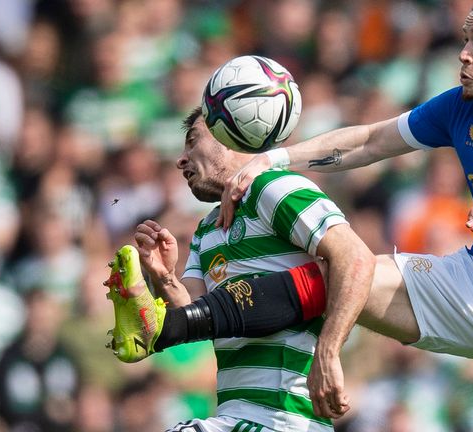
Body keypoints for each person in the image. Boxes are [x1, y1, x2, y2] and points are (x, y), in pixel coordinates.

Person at [217, 1, 473, 431]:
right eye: (466, 39)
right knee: (345, 276)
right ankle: (193, 333)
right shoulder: (464, 107)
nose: (464, 53)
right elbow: (370, 141)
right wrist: (274, 159)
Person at [105, 106, 375, 432]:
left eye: (193, 141)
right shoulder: (206, 230)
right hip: (235, 413)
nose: (181, 158)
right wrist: (163, 276)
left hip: (285, 418)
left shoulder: (275, 188)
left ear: (228, 135)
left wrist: (329, 353)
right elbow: (193, 315)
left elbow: (356, 257)